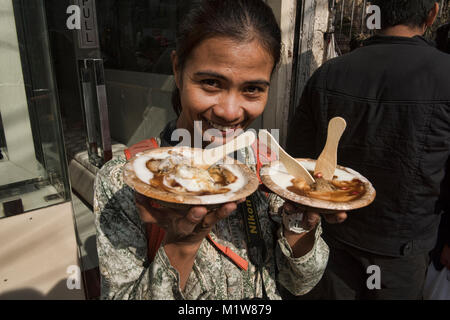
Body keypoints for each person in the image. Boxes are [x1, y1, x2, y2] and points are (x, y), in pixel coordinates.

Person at [94, 0, 346, 300]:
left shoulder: (268, 165)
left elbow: (299, 282)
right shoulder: (125, 181)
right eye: (211, 83)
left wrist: (301, 222)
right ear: (177, 69)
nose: (229, 111)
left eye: (252, 89)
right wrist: (182, 244)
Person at [286, 0, 450, 299]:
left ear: (374, 13)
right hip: (401, 251)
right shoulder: (445, 75)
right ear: (432, 13)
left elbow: (297, 161)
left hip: (333, 240)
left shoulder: (329, 72)